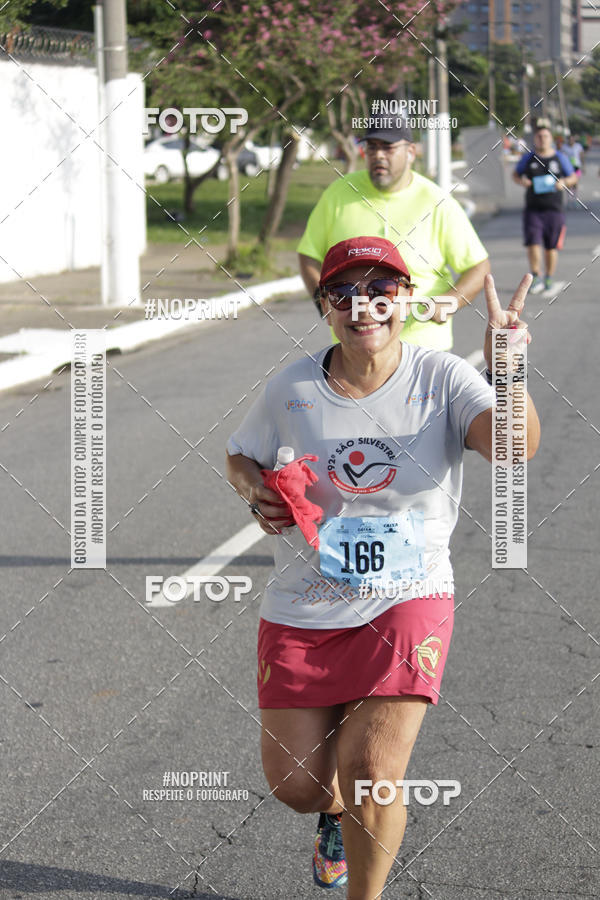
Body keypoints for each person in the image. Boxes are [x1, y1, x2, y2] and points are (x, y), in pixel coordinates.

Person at [226, 236, 540, 898]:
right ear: (325, 306)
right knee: (297, 786)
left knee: (371, 770)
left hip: (409, 596)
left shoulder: (443, 378)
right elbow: (239, 453)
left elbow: (514, 449)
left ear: (407, 299)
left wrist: (506, 368)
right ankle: (332, 816)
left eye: (380, 291)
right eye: (344, 294)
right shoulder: (293, 385)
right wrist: (255, 487)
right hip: (303, 603)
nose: (363, 306)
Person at [297, 118, 490, 352]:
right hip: (355, 350)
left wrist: (449, 302)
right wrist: (323, 301)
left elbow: (478, 267)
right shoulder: (338, 194)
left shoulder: (436, 201)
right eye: (372, 147)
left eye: (387, 147)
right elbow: (308, 254)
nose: (378, 155)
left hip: (423, 346)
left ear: (410, 152)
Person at [512, 119, 578, 294]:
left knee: (551, 247)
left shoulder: (560, 158)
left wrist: (563, 182)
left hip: (554, 209)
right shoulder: (528, 158)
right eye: (539, 136)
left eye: (546, 136)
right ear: (535, 138)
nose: (542, 139)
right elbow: (516, 175)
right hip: (533, 209)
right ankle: (536, 275)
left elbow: (573, 177)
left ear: (551, 139)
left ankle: (549, 276)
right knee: (533, 242)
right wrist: (523, 181)